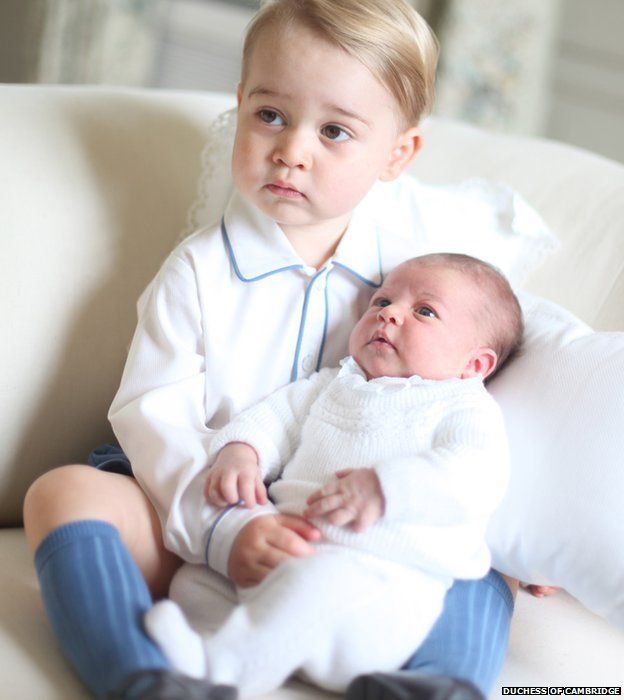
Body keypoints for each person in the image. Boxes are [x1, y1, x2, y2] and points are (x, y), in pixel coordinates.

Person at [23, 1, 517, 698]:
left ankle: (440, 684)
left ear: (395, 155)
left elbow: (493, 354)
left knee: (480, 560)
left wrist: (531, 518)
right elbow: (153, 416)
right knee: (63, 492)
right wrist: (229, 528)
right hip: (193, 503)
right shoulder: (199, 272)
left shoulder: (413, 273)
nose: (292, 150)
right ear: (240, 106)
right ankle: (142, 675)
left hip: (352, 528)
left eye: (336, 131)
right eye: (271, 116)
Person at [144, 253, 522, 698]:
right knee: (198, 578)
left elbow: (475, 475)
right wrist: (241, 452)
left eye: (424, 311)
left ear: (475, 365)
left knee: (315, 584)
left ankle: (222, 675)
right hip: (283, 556)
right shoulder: (331, 384)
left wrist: (386, 488)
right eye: (381, 300)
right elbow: (274, 419)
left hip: (375, 589)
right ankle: (213, 642)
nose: (389, 313)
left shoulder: (462, 405)